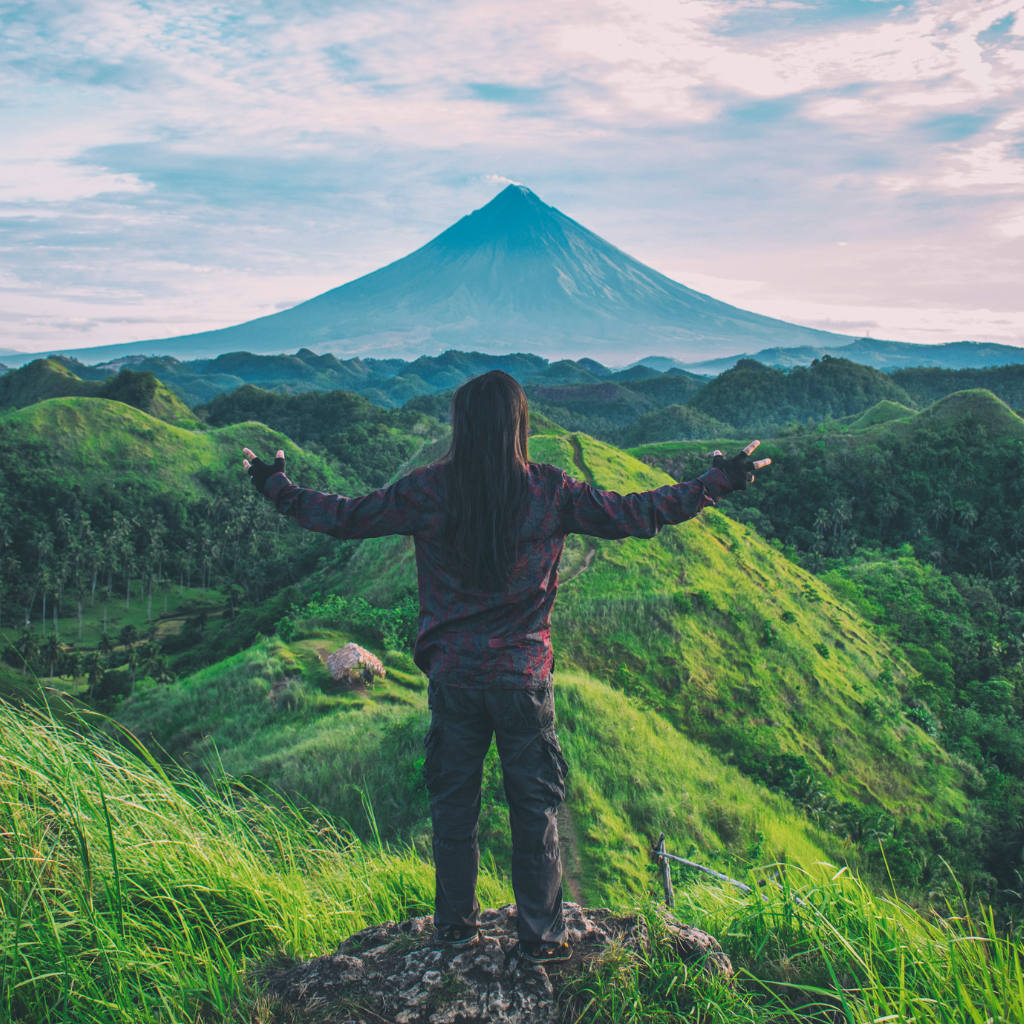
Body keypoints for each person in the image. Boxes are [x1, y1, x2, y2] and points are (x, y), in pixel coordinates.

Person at [242, 369, 770, 964]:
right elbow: (636, 513)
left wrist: (274, 486)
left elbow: (343, 516)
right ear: (519, 425)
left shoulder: (429, 490)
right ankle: (542, 939)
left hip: (456, 679)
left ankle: (454, 930)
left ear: (461, 427)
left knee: (454, 807)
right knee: (535, 808)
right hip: (522, 680)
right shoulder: (551, 491)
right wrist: (714, 483)